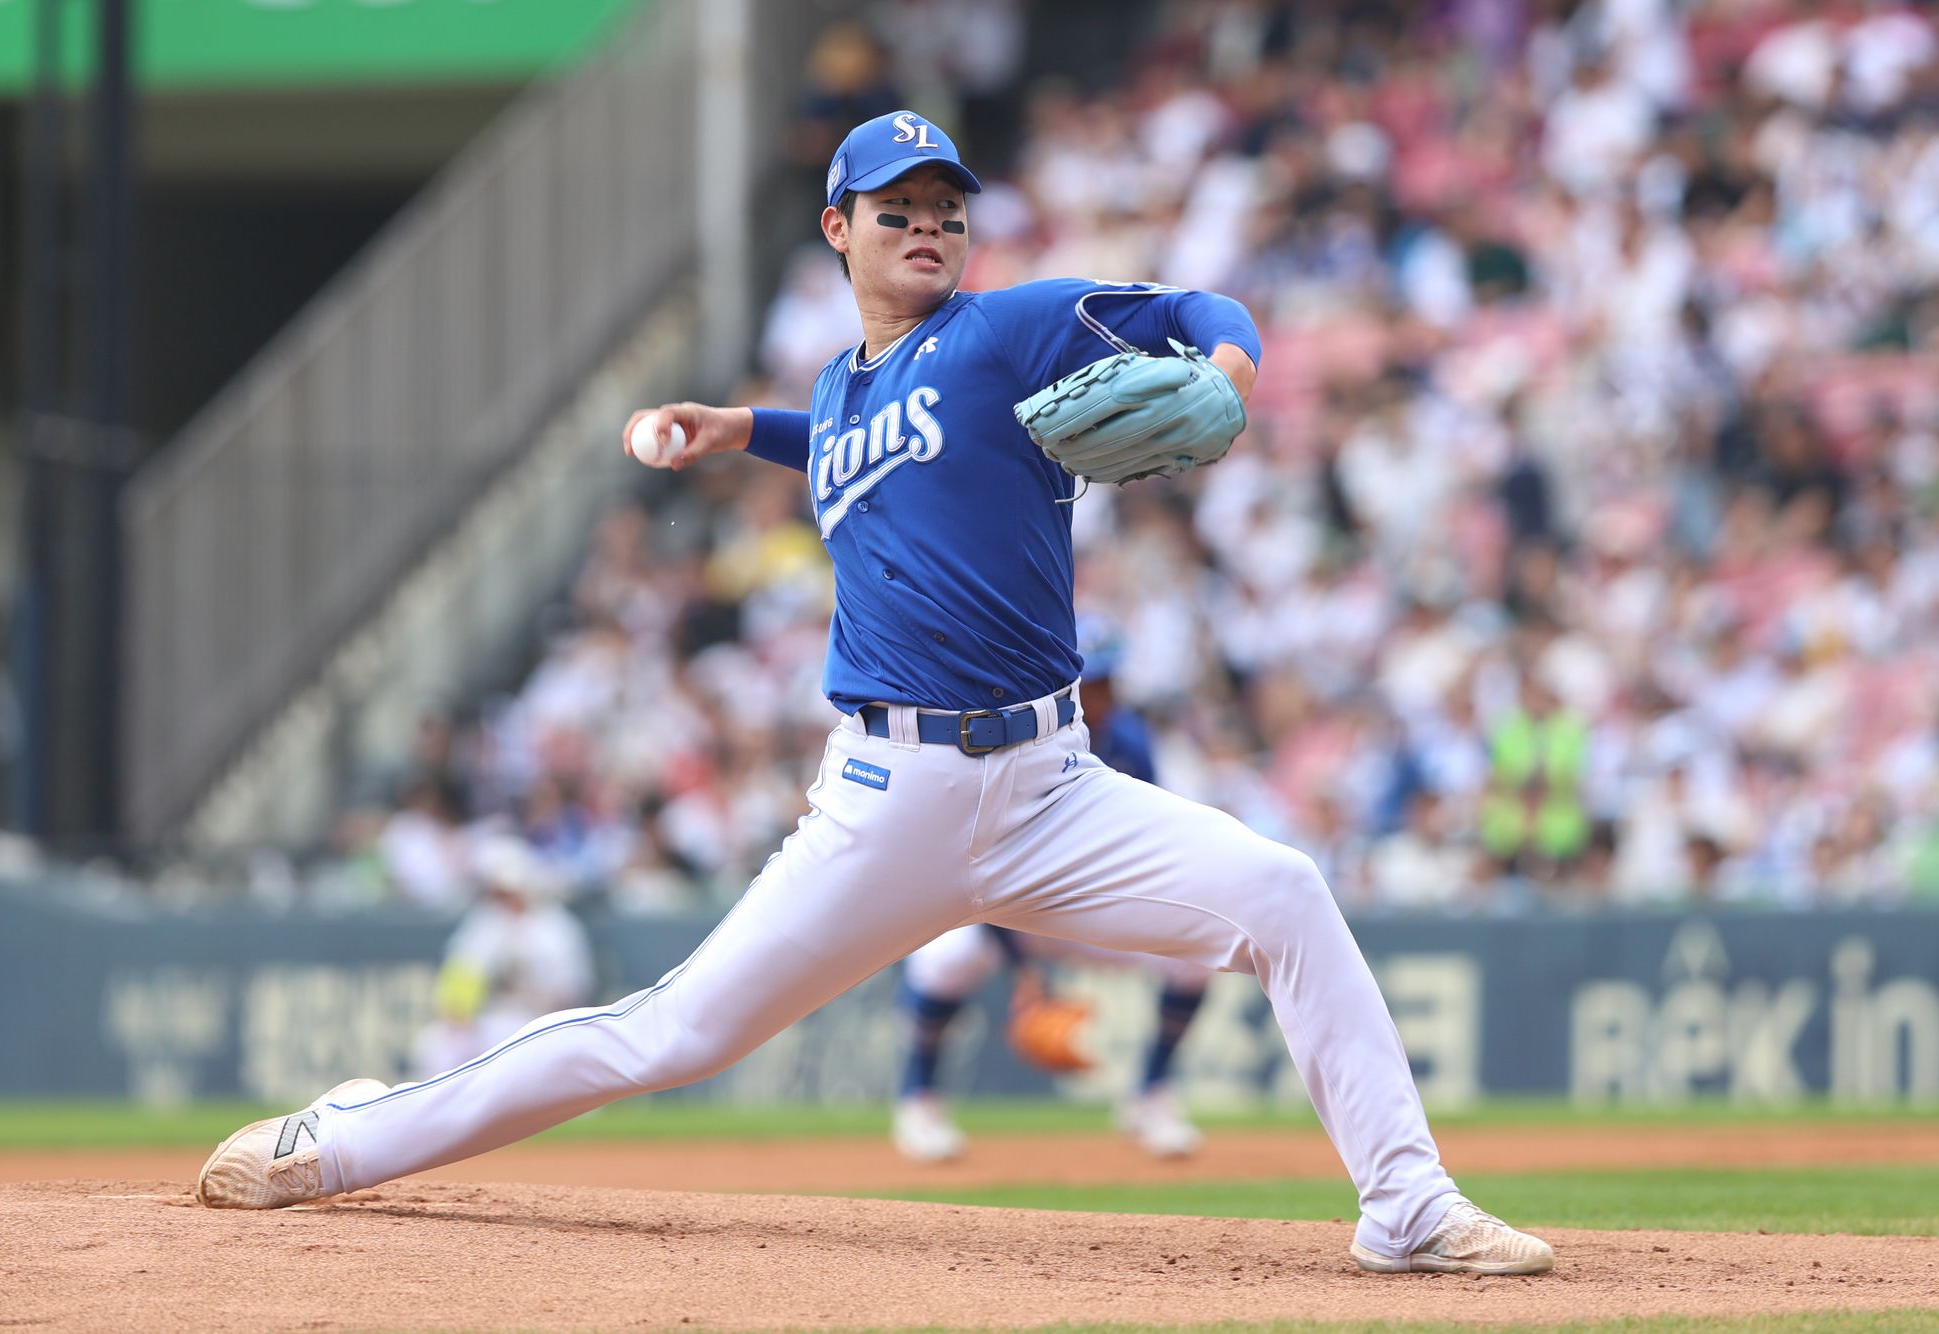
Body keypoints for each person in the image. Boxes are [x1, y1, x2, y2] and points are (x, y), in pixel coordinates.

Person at [197, 110, 1552, 1277]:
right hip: (888, 800)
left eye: (946, 209)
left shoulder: (1004, 332)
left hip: (1051, 789)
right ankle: (346, 1138)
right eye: (896, 209)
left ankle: (1406, 1205)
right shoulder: (842, 392)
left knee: (1283, 892)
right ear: (837, 228)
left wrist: (1231, 374)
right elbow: (850, 434)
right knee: (669, 1032)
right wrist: (743, 429)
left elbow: (1203, 311)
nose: (927, 227)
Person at [893, 620, 1211, 1162]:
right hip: (1004, 911)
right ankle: (918, 1101)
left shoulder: (1130, 742)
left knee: (1194, 956)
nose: (1102, 695)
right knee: (941, 961)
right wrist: (1028, 976)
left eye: (1109, 683)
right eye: (1093, 683)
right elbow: (979, 866)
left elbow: (1144, 840)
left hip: (1084, 907)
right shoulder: (1019, 736)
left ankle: (1150, 1097)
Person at [414, 836, 596, 1079]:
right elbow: (458, 977)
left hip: (538, 1020)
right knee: (437, 1043)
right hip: (491, 1017)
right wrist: (460, 1014)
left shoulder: (556, 926)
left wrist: (533, 989)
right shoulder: (484, 923)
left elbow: (574, 989)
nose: (502, 896)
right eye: (497, 890)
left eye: (507, 889)